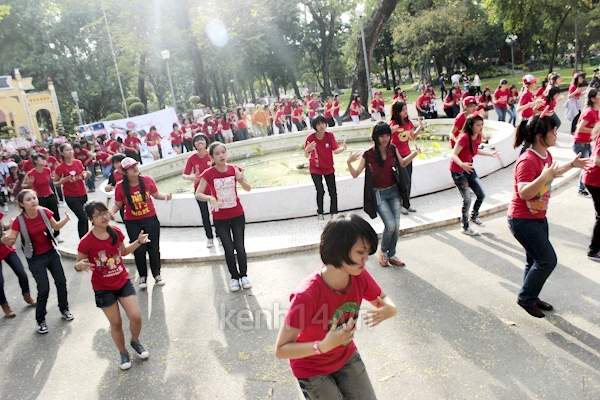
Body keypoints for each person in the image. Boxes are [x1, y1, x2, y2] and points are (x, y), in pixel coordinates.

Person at [274, 213, 397, 399]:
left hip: (346, 356)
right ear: (339, 249)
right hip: (312, 369)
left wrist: (390, 309)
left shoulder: (358, 275)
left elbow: (382, 300)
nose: (366, 259)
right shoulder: (306, 295)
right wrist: (323, 346)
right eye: (360, 252)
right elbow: (281, 349)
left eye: (368, 252)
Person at [509, 114, 587, 318]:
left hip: (537, 217)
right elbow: (524, 192)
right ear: (539, 136)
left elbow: (552, 172)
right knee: (547, 260)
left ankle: (531, 296)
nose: (555, 133)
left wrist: (571, 165)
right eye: (551, 130)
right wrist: (544, 176)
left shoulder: (546, 155)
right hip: (522, 220)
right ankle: (526, 298)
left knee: (534, 260)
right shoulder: (527, 160)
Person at [75, 201, 150, 370]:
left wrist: (138, 242)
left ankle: (135, 342)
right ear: (90, 219)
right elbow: (78, 263)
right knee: (116, 323)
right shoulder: (86, 241)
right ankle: (123, 352)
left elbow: (123, 252)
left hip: (122, 281)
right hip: (102, 287)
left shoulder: (115, 231)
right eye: (98, 215)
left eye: (105, 212)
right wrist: (79, 266)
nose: (104, 217)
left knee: (136, 317)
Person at [347, 122, 420, 266]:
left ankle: (391, 254)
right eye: (382, 136)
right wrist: (349, 163)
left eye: (387, 135)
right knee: (390, 225)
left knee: (397, 225)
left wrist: (415, 153)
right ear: (376, 137)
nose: (385, 139)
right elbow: (355, 174)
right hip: (378, 193)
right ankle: (383, 251)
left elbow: (403, 163)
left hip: (393, 191)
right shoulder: (368, 154)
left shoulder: (392, 148)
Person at [2, 189, 72, 333]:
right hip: (35, 258)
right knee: (43, 288)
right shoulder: (18, 221)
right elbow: (12, 241)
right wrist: (5, 240)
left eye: (34, 198)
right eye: (28, 199)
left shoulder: (44, 212)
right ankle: (40, 320)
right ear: (21, 204)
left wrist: (66, 218)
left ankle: (64, 309)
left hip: (51, 253)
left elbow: (56, 227)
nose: (33, 201)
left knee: (61, 282)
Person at [195, 142, 252, 292]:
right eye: (217, 153)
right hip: (220, 217)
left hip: (237, 214)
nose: (221, 155)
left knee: (239, 246)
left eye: (223, 152)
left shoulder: (235, 169)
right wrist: (210, 198)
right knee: (228, 248)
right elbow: (198, 193)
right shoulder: (208, 173)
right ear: (212, 156)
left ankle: (244, 275)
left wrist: (240, 179)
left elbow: (248, 188)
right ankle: (234, 277)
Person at [110, 158, 171, 289]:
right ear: (124, 172)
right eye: (131, 167)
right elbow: (118, 204)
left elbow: (155, 194)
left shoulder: (147, 180)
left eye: (136, 165)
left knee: (154, 248)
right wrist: (111, 212)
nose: (135, 168)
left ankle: (157, 275)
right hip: (133, 222)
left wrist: (166, 196)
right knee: (139, 249)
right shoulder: (120, 186)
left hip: (150, 219)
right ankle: (142, 277)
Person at [450, 112, 500, 236]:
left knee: (481, 194)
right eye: (478, 125)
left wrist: (490, 154)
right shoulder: (464, 137)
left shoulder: (477, 137)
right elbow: (454, 154)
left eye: (482, 124)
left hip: (470, 170)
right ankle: (465, 226)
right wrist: (462, 164)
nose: (481, 127)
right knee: (467, 199)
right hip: (459, 171)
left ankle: (474, 216)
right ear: (471, 125)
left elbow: (475, 150)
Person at [304, 116, 347, 220]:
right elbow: (306, 155)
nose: (321, 126)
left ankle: (334, 213)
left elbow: (335, 150)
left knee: (332, 191)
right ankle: (320, 213)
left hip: (328, 167)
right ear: (315, 126)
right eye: (318, 124)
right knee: (320, 190)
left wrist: (343, 148)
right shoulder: (310, 138)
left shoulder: (329, 136)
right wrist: (307, 150)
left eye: (323, 123)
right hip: (315, 168)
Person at [0, 211, 36, 317]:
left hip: (7, 248)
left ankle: (27, 295)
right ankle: (4, 305)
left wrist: (10, 225)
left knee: (22, 273)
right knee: (0, 283)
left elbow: (3, 228)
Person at [389, 101, 423, 214]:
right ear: (397, 112)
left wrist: (420, 127)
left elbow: (413, 136)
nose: (405, 112)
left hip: (408, 154)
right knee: (404, 180)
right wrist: (391, 131)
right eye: (402, 110)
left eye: (405, 109)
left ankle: (406, 204)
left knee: (408, 178)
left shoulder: (408, 123)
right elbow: (385, 138)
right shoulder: (393, 124)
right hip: (397, 156)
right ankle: (400, 204)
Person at [183, 134, 215, 248]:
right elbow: (184, 174)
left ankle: (220, 236)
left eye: (201, 139)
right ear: (194, 144)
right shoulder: (192, 158)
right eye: (196, 141)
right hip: (199, 190)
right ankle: (209, 238)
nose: (199, 142)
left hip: (212, 188)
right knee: (204, 214)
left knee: (216, 212)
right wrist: (190, 177)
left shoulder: (211, 154)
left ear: (206, 142)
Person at [23, 153, 63, 243]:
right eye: (42, 159)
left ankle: (57, 233)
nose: (45, 161)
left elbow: (51, 179)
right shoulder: (31, 173)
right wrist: (29, 184)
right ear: (36, 161)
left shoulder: (47, 170)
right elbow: (23, 184)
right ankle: (49, 235)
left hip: (51, 195)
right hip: (39, 198)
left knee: (55, 215)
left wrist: (58, 178)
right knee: (44, 217)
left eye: (45, 159)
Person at [54, 143, 91, 238]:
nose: (70, 151)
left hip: (82, 193)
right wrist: (62, 181)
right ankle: (83, 239)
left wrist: (87, 174)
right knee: (82, 217)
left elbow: (84, 175)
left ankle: (86, 238)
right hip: (71, 196)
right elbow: (55, 182)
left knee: (86, 217)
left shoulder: (78, 162)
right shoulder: (60, 167)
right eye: (67, 150)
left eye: (71, 149)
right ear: (62, 152)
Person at [574, 89, 600, 197]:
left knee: (588, 165)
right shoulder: (589, 112)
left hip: (586, 143)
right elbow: (579, 128)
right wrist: (595, 131)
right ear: (593, 99)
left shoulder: (596, 110)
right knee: (587, 166)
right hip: (580, 143)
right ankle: (581, 189)